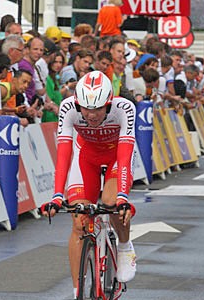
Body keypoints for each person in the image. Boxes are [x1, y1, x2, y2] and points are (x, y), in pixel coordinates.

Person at [40, 71, 137, 300]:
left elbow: (124, 157)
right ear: (77, 103)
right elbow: (64, 154)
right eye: (86, 109)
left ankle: (124, 246)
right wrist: (56, 195)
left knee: (111, 202)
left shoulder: (124, 109)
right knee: (79, 219)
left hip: (116, 158)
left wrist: (123, 196)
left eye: (98, 109)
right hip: (87, 157)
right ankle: (78, 292)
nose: (91, 115)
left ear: (109, 103)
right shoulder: (67, 108)